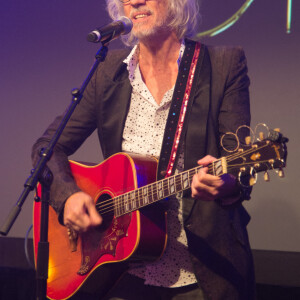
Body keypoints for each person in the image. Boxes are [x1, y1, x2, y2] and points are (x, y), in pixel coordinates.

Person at [32, 0, 255, 299]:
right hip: (124, 271)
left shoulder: (223, 65)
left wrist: (224, 184)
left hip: (202, 274)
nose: (135, 1)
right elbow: (47, 147)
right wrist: (67, 197)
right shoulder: (109, 70)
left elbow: (239, 167)